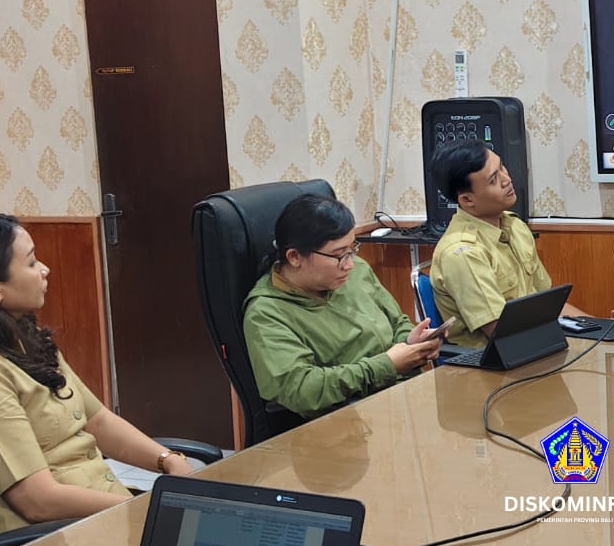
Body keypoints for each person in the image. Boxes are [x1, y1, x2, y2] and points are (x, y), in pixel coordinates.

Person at [0, 213, 195, 540]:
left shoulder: (21, 337)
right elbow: (37, 501)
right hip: (50, 544)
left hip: (102, 515)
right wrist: (146, 510)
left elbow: (98, 421)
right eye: (31, 262)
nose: (45, 269)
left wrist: (167, 461)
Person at [243, 194, 441, 419]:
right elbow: (301, 389)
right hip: (349, 419)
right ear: (295, 256)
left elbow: (397, 322)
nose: (349, 265)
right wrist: (387, 366)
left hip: (404, 398)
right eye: (338, 255)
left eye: (352, 250)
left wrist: (411, 343)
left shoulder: (355, 271)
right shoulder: (266, 313)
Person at [430, 139, 584, 349]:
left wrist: (602, 327)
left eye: (501, 167)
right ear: (467, 200)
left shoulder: (515, 226)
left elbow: (548, 306)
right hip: (496, 362)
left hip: (538, 346)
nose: (507, 180)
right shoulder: (462, 253)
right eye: (493, 180)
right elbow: (502, 332)